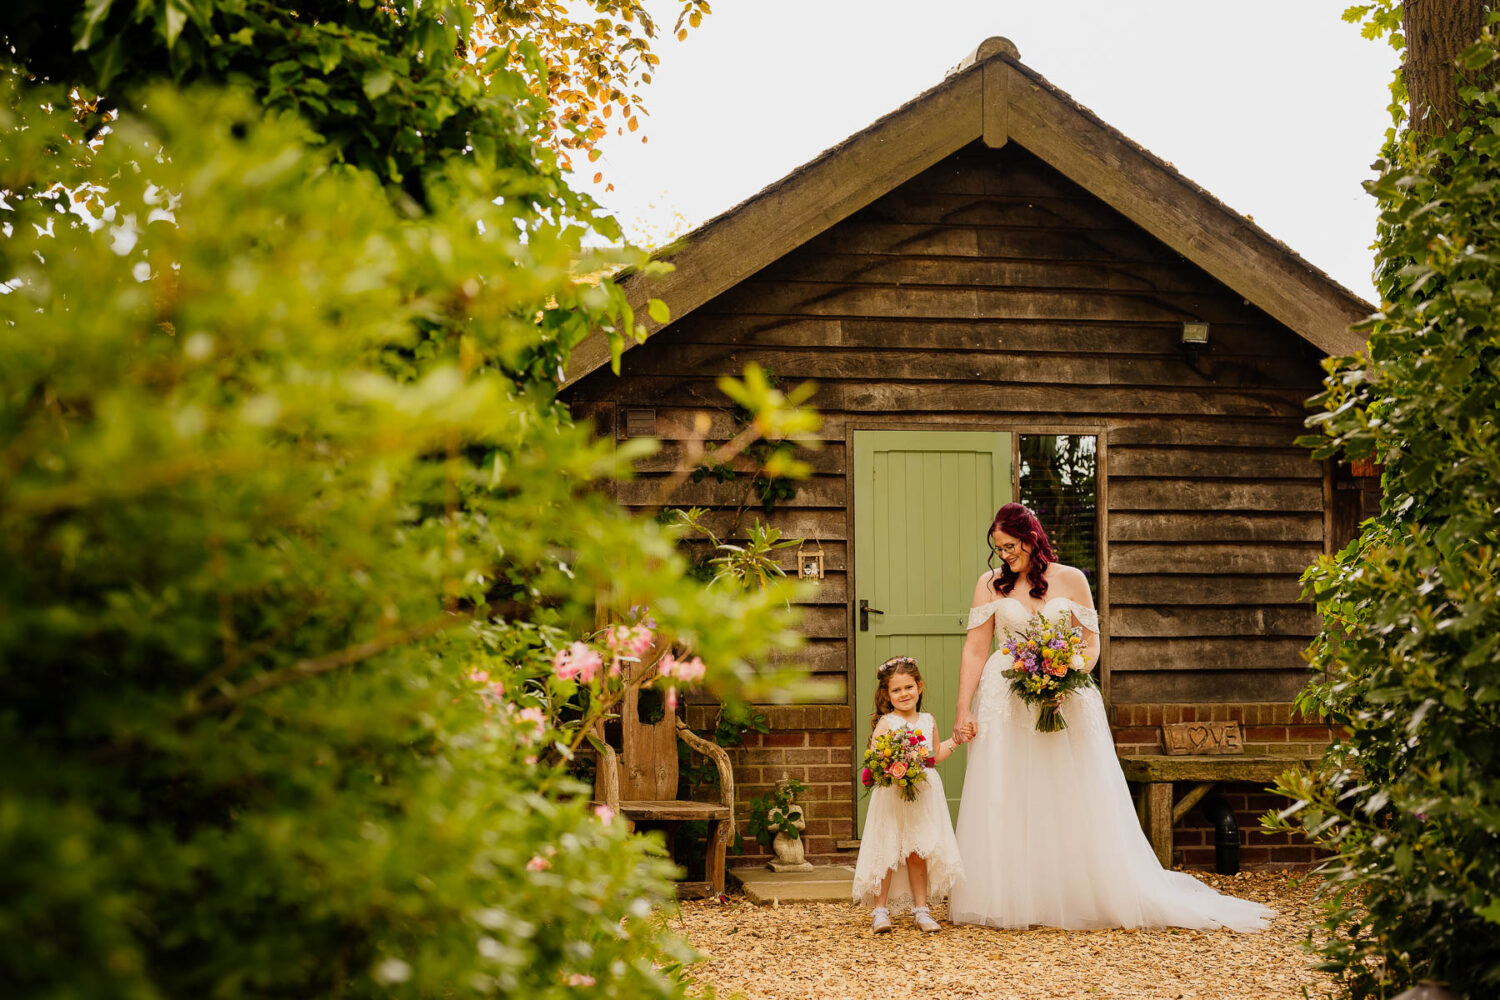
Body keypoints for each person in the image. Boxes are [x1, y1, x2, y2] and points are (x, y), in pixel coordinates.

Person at [947, 502, 1274, 932]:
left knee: (1065, 789)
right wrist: (962, 706)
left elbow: (1090, 646)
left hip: (1062, 697)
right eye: (998, 548)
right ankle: (1012, 894)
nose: (1004, 555)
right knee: (1007, 790)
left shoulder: (1072, 580)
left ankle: (1074, 892)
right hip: (1003, 699)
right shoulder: (989, 584)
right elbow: (975, 648)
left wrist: (1063, 675)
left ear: (1031, 538)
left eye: (1010, 546)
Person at [851, 656, 965, 934]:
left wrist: (957, 741)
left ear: (920, 686)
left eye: (908, 687)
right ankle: (880, 910)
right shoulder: (887, 723)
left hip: (923, 794)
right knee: (888, 848)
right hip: (892, 794)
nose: (904, 694)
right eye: (896, 690)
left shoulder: (928, 720)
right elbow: (877, 759)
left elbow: (934, 755)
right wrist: (893, 771)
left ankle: (921, 910)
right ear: (887, 695)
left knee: (918, 851)